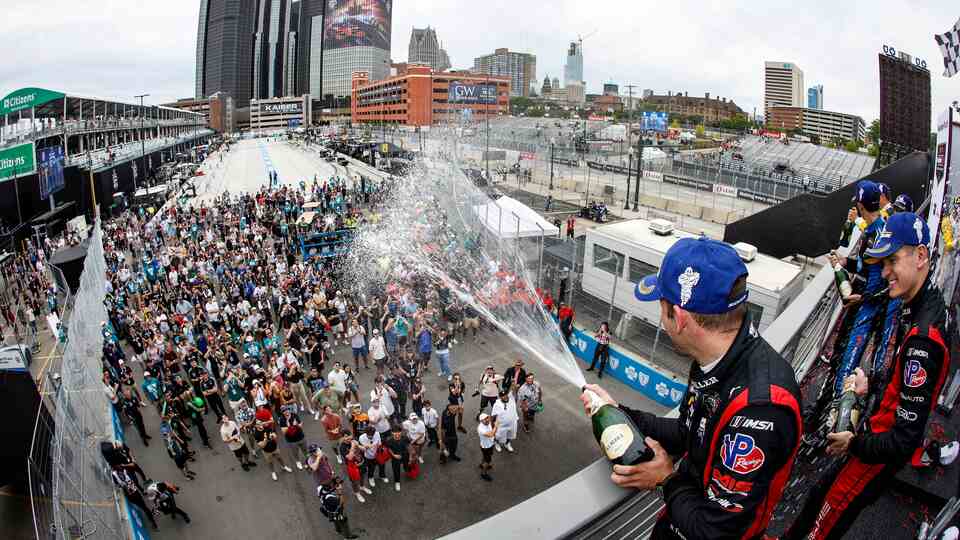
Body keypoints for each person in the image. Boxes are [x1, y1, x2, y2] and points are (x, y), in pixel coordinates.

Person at [583, 235, 802, 539]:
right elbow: (688, 433)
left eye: (662, 306)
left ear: (679, 318)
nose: (662, 318)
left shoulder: (760, 410)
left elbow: (716, 532)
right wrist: (616, 411)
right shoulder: (715, 359)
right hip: (678, 518)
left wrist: (665, 480)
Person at [786, 214, 951, 540]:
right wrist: (872, 385)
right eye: (882, 263)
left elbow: (903, 441)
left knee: (824, 524)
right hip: (872, 441)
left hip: (874, 456)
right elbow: (904, 383)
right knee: (818, 495)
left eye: (892, 260)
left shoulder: (923, 339)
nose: (885, 272)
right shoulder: (921, 302)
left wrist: (853, 443)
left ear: (920, 256)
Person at [384, 425, 410, 492]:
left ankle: (406, 470)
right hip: (395, 457)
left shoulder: (405, 438)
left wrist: (411, 456)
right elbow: (389, 448)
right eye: (395, 432)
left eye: (398, 432)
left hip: (405, 455)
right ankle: (397, 482)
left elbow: (408, 446)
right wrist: (394, 455)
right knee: (396, 470)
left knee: (406, 465)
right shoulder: (389, 440)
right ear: (392, 433)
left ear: (401, 432)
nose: (397, 434)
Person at [477, 413, 498, 481]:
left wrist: (497, 415)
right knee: (488, 460)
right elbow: (491, 434)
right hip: (486, 447)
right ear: (481, 421)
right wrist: (496, 426)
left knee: (485, 456)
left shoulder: (488, 422)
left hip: (489, 444)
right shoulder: (480, 429)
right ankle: (484, 473)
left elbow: (493, 417)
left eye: (487, 418)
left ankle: (482, 464)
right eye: (485, 419)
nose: (487, 420)